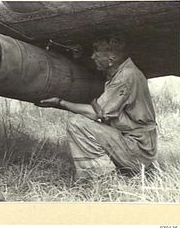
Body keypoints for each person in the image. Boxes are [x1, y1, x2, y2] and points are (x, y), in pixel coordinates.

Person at [37, 36, 157, 181]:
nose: (92, 57)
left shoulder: (125, 77)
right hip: (140, 145)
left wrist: (60, 102)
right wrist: (78, 58)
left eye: (96, 54)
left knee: (77, 123)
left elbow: (96, 114)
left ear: (111, 58)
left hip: (138, 151)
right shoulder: (124, 69)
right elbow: (100, 70)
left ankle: (103, 177)